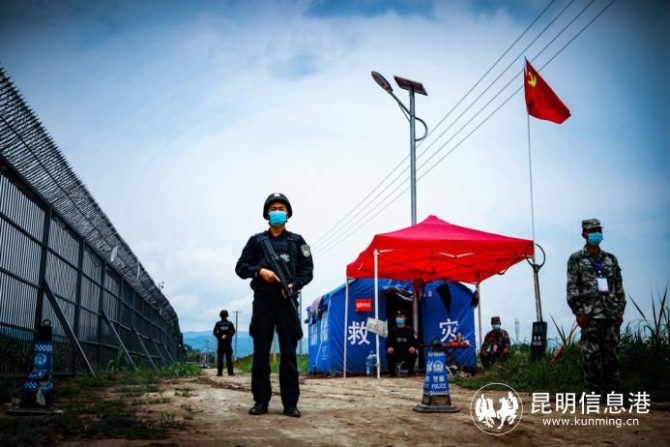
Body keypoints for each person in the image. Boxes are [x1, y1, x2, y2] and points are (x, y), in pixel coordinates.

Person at [235, 193, 314, 418]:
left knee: (289, 354)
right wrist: (260, 271)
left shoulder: (298, 241)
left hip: (287, 301)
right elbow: (241, 267)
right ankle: (261, 401)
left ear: (288, 213)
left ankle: (290, 404)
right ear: (266, 214)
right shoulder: (256, 241)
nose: (277, 212)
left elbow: (307, 270)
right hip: (263, 302)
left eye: (281, 208)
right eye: (273, 209)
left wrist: (293, 285)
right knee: (261, 353)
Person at [567, 218, 626, 396]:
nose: (597, 234)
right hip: (589, 315)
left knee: (611, 355)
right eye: (593, 231)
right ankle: (594, 392)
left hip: (610, 314)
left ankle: (612, 392)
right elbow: (572, 288)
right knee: (591, 355)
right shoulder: (576, 259)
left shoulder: (610, 259)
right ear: (584, 235)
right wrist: (578, 312)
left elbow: (619, 287)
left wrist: (620, 311)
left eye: (599, 230)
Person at [385, 310, 418, 377]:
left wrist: (413, 347)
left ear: (405, 318)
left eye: (401, 317)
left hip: (407, 352)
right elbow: (388, 342)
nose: (399, 318)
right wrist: (389, 347)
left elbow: (415, 342)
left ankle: (411, 372)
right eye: (397, 317)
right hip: (396, 353)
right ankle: (392, 373)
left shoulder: (410, 330)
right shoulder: (392, 330)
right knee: (389, 354)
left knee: (413, 353)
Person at [213, 309, 236, 376]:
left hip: (220, 343)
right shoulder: (230, 323)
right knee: (229, 358)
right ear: (227, 315)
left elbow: (214, 332)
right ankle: (230, 372)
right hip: (228, 343)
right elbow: (233, 331)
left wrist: (220, 336)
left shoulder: (218, 324)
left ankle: (220, 373)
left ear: (220, 315)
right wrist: (227, 336)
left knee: (220, 358)